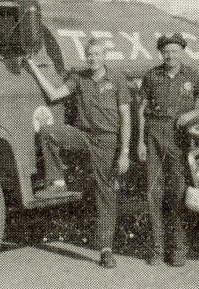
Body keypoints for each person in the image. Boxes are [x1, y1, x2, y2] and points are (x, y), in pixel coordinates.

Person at [25, 38, 131, 269]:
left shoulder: (118, 79)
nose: (93, 58)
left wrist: (124, 152)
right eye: (90, 54)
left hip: (106, 140)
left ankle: (105, 249)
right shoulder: (79, 78)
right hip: (83, 134)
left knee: (105, 193)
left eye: (97, 54)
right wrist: (32, 67)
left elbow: (126, 118)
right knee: (48, 132)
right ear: (86, 56)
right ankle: (57, 181)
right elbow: (54, 94)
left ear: (105, 57)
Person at [136, 33, 199, 267]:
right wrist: (140, 141)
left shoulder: (192, 76)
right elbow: (141, 110)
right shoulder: (152, 75)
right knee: (153, 195)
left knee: (178, 195)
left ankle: (178, 249)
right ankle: (157, 250)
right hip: (155, 136)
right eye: (166, 52)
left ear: (181, 52)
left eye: (175, 51)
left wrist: (193, 114)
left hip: (179, 139)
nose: (170, 55)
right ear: (161, 53)